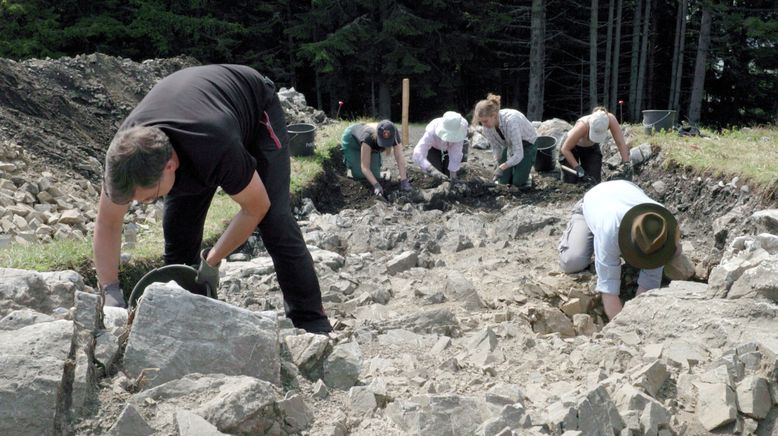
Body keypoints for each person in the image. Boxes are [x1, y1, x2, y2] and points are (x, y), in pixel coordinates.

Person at [94, 64, 332, 333]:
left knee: (275, 221)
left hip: (253, 109)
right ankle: (187, 322)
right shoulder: (124, 157)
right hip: (196, 115)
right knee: (178, 241)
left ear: (170, 165)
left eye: (151, 197)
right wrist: (110, 290)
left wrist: (213, 259)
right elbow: (108, 223)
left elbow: (256, 207)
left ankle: (312, 321)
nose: (145, 203)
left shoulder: (214, 144)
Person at [558, 180, 690, 320]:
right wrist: (621, 325)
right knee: (572, 261)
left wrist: (638, 318)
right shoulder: (610, 231)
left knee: (674, 253)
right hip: (594, 200)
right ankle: (575, 229)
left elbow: (649, 284)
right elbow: (608, 290)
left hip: (626, 189)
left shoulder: (659, 222)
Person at [472, 93, 538, 188]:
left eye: (485, 121)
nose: (484, 125)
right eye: (481, 122)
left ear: (494, 115)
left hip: (527, 144)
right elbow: (496, 147)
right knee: (503, 181)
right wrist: (498, 163)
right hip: (510, 144)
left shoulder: (511, 122)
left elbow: (519, 153)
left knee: (517, 182)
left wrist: (503, 167)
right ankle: (515, 169)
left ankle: (525, 173)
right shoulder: (486, 127)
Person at [559, 106, 631, 184]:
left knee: (593, 180)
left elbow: (620, 143)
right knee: (570, 181)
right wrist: (577, 167)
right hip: (571, 148)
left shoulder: (610, 120)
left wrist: (626, 162)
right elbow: (565, 149)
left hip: (591, 147)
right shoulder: (582, 126)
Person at [340, 120, 412, 196]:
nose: (385, 145)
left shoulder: (393, 133)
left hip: (371, 145)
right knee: (361, 175)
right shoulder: (368, 137)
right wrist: (376, 185)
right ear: (377, 135)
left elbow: (399, 156)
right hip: (352, 141)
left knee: (375, 176)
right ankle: (349, 162)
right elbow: (365, 167)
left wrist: (404, 181)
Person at [412, 111, 468, 182]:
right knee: (437, 177)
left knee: (450, 175)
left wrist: (453, 177)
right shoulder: (432, 130)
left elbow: (456, 153)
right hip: (434, 148)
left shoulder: (462, 127)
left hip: (451, 149)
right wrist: (430, 169)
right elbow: (417, 153)